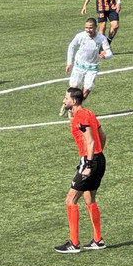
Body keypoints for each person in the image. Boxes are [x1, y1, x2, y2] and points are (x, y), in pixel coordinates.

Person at [54, 88, 107, 253]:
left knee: (70, 199)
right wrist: (97, 157)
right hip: (100, 159)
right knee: (89, 198)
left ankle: (74, 243)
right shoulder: (88, 113)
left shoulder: (81, 117)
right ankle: (97, 240)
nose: (64, 101)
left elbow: (90, 141)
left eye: (66, 98)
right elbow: (102, 136)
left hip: (89, 162)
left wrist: (89, 164)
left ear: (74, 101)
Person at [64, 18, 112, 107]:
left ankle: (75, 109)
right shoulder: (81, 36)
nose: (88, 30)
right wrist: (69, 63)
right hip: (79, 65)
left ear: (95, 27)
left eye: (90, 28)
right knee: (73, 90)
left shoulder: (101, 38)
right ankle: (68, 107)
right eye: (86, 27)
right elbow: (71, 46)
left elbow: (109, 52)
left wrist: (104, 56)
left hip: (92, 68)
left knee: (85, 93)